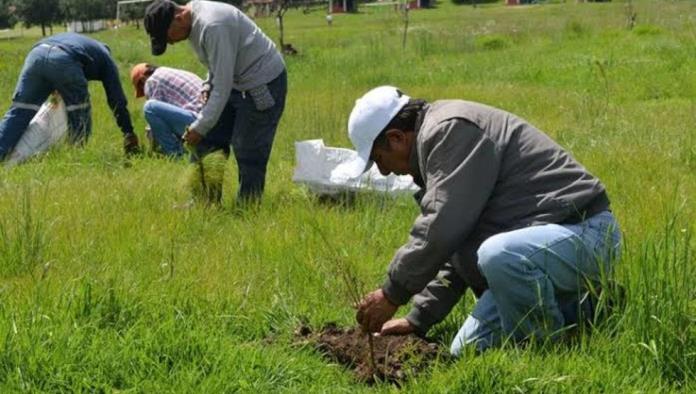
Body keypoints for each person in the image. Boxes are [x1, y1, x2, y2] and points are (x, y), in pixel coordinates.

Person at [335, 86, 622, 354]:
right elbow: (455, 245)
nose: (383, 172)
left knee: (498, 254)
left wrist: (391, 294)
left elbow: (442, 228)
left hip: (585, 234)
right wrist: (418, 317)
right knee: (466, 350)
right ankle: (586, 307)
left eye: (379, 158)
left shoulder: (450, 131)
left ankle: (546, 351)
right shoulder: (436, 145)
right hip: (535, 251)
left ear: (397, 138)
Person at [144, 0, 287, 201]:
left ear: (178, 18)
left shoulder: (213, 25)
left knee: (248, 149)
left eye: (168, 37)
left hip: (262, 83)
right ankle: (204, 204)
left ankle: (248, 208)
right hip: (234, 82)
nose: (171, 43)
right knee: (207, 141)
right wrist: (206, 85)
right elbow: (218, 66)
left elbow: (223, 84)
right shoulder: (193, 23)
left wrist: (199, 126)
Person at [0, 32, 139, 160]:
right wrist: (128, 131)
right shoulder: (106, 59)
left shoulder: (82, 43)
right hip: (64, 58)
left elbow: (52, 62)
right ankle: (76, 157)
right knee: (79, 113)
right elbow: (117, 99)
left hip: (36, 55)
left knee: (19, 111)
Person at [130, 63, 205, 157]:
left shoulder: (152, 80)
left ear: (143, 79)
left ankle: (176, 154)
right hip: (211, 121)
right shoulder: (170, 73)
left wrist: (152, 146)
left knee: (150, 107)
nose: (145, 92)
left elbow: (155, 119)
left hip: (199, 123)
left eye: (141, 88)